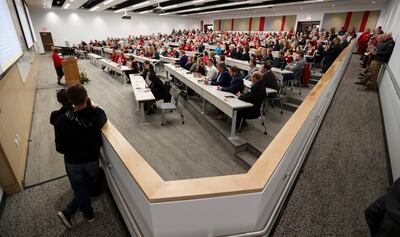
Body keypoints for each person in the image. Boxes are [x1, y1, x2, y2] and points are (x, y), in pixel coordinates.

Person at [55, 84, 107, 229]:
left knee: (80, 188)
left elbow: (60, 148)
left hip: (72, 162)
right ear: (86, 97)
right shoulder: (96, 114)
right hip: (91, 159)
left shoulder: (61, 121)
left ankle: (83, 214)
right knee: (88, 184)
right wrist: (92, 106)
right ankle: (70, 211)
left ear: (70, 100)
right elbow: (102, 115)